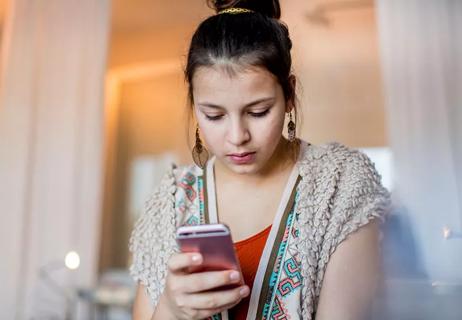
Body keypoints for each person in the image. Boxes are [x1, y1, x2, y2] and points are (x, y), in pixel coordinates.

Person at [129, 0, 390, 319]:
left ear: (289, 95)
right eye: (214, 115)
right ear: (194, 105)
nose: (237, 136)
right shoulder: (171, 202)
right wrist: (170, 308)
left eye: (258, 112)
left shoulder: (340, 186)